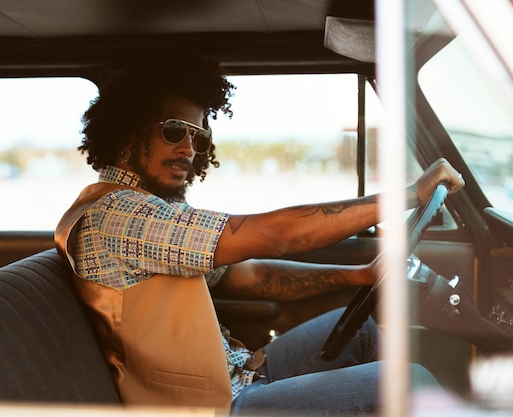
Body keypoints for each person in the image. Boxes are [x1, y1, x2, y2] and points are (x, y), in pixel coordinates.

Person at [54, 52, 465, 415]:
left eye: (198, 136)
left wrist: (354, 275)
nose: (189, 149)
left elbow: (250, 275)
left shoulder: (154, 212)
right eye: (175, 131)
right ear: (128, 128)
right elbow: (274, 234)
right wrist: (409, 195)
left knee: (362, 331)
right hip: (213, 408)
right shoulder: (120, 214)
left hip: (236, 377)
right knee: (412, 384)